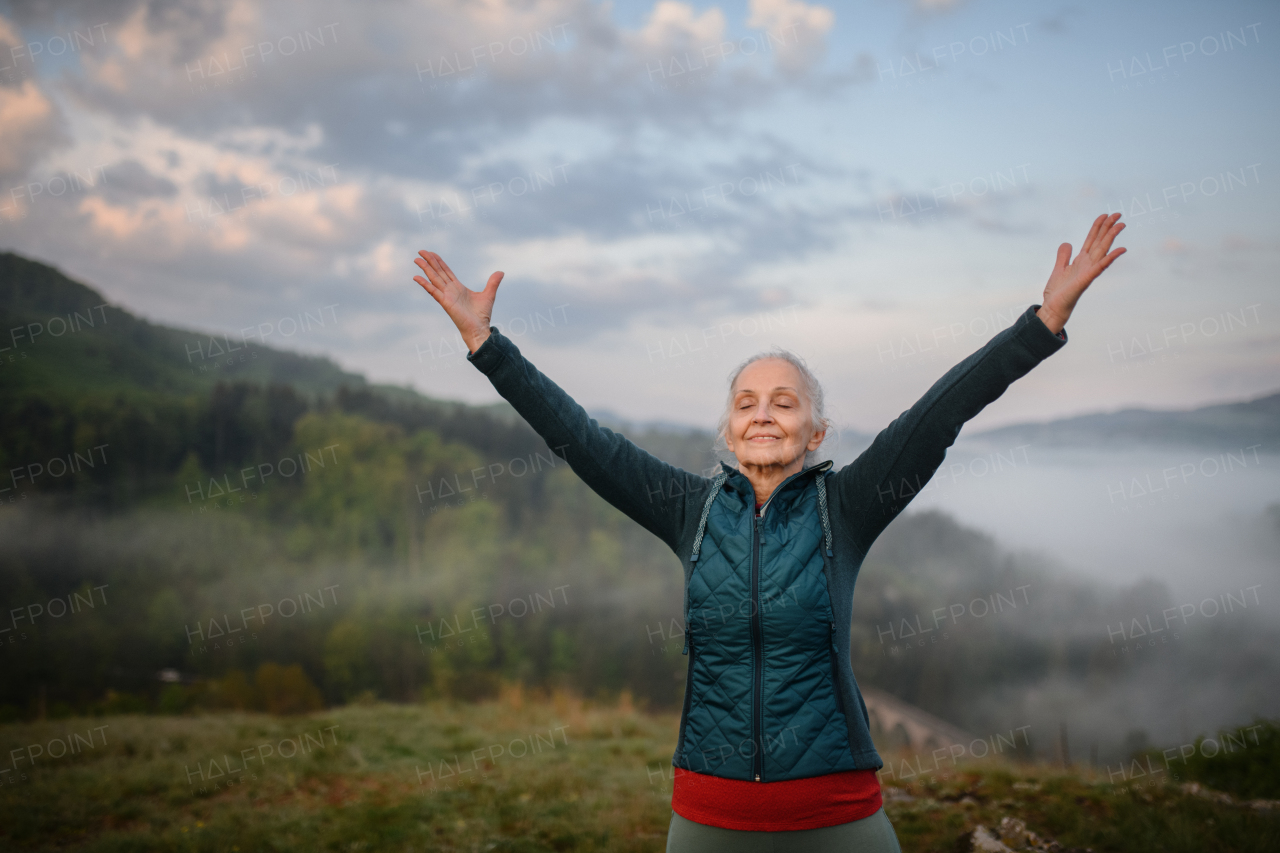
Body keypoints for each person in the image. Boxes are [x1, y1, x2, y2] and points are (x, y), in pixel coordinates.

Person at [412, 213, 1126, 852]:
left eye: (784, 403)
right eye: (747, 402)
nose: (763, 414)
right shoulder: (688, 510)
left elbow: (938, 414)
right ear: (727, 429)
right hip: (707, 812)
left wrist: (1042, 323)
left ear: (815, 431)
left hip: (838, 811)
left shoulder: (845, 506)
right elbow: (580, 439)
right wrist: (485, 341)